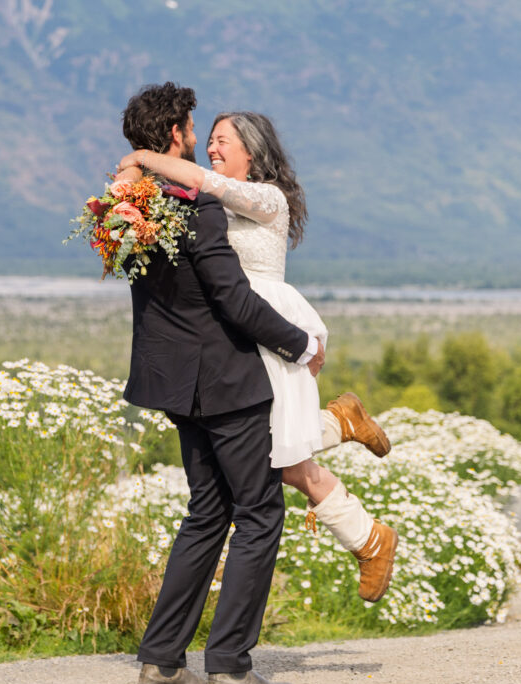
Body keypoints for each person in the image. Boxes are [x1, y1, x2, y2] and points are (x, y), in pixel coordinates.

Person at [118, 109, 398, 605]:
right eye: (208, 141)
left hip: (267, 323)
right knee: (276, 449)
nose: (211, 149)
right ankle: (344, 442)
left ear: (253, 151)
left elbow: (199, 181)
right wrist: (131, 182)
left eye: (223, 141)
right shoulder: (204, 201)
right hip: (233, 331)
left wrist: (142, 155)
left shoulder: (266, 198)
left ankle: (368, 535)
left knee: (280, 458)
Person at [120, 83, 325, 684]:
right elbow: (231, 298)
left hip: (173, 379)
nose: (201, 140)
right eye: (195, 130)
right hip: (226, 380)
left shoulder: (128, 205)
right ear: (177, 134)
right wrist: (300, 344)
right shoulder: (198, 207)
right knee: (259, 512)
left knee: (206, 512)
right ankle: (231, 667)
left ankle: (161, 663)